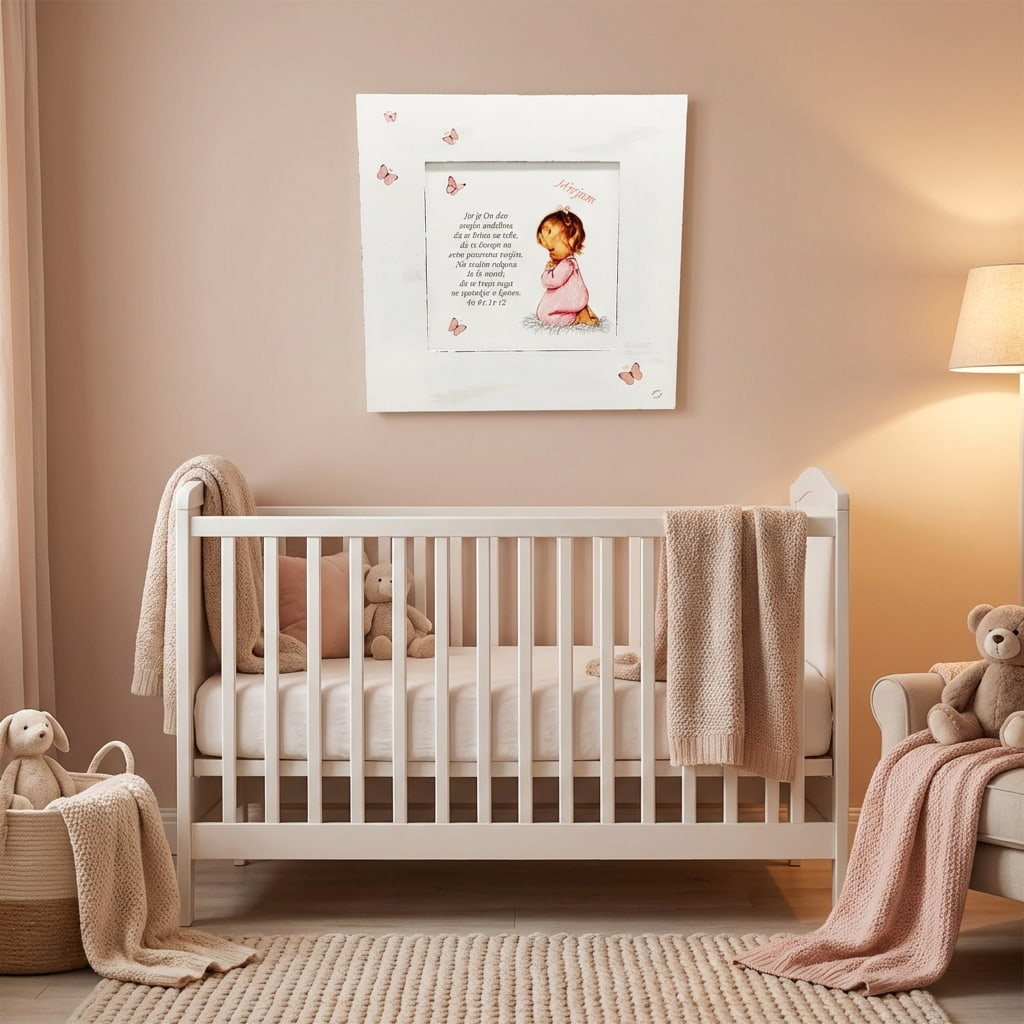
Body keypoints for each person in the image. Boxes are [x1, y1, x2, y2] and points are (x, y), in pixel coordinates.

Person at [535, 209, 599, 326]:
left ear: (571, 241)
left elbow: (551, 282)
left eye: (552, 249)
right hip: (568, 297)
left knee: (544, 315)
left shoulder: (567, 264)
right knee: (543, 312)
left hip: (572, 298)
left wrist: (548, 270)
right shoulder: (567, 262)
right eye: (548, 250)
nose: (550, 254)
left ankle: (578, 317)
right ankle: (579, 312)